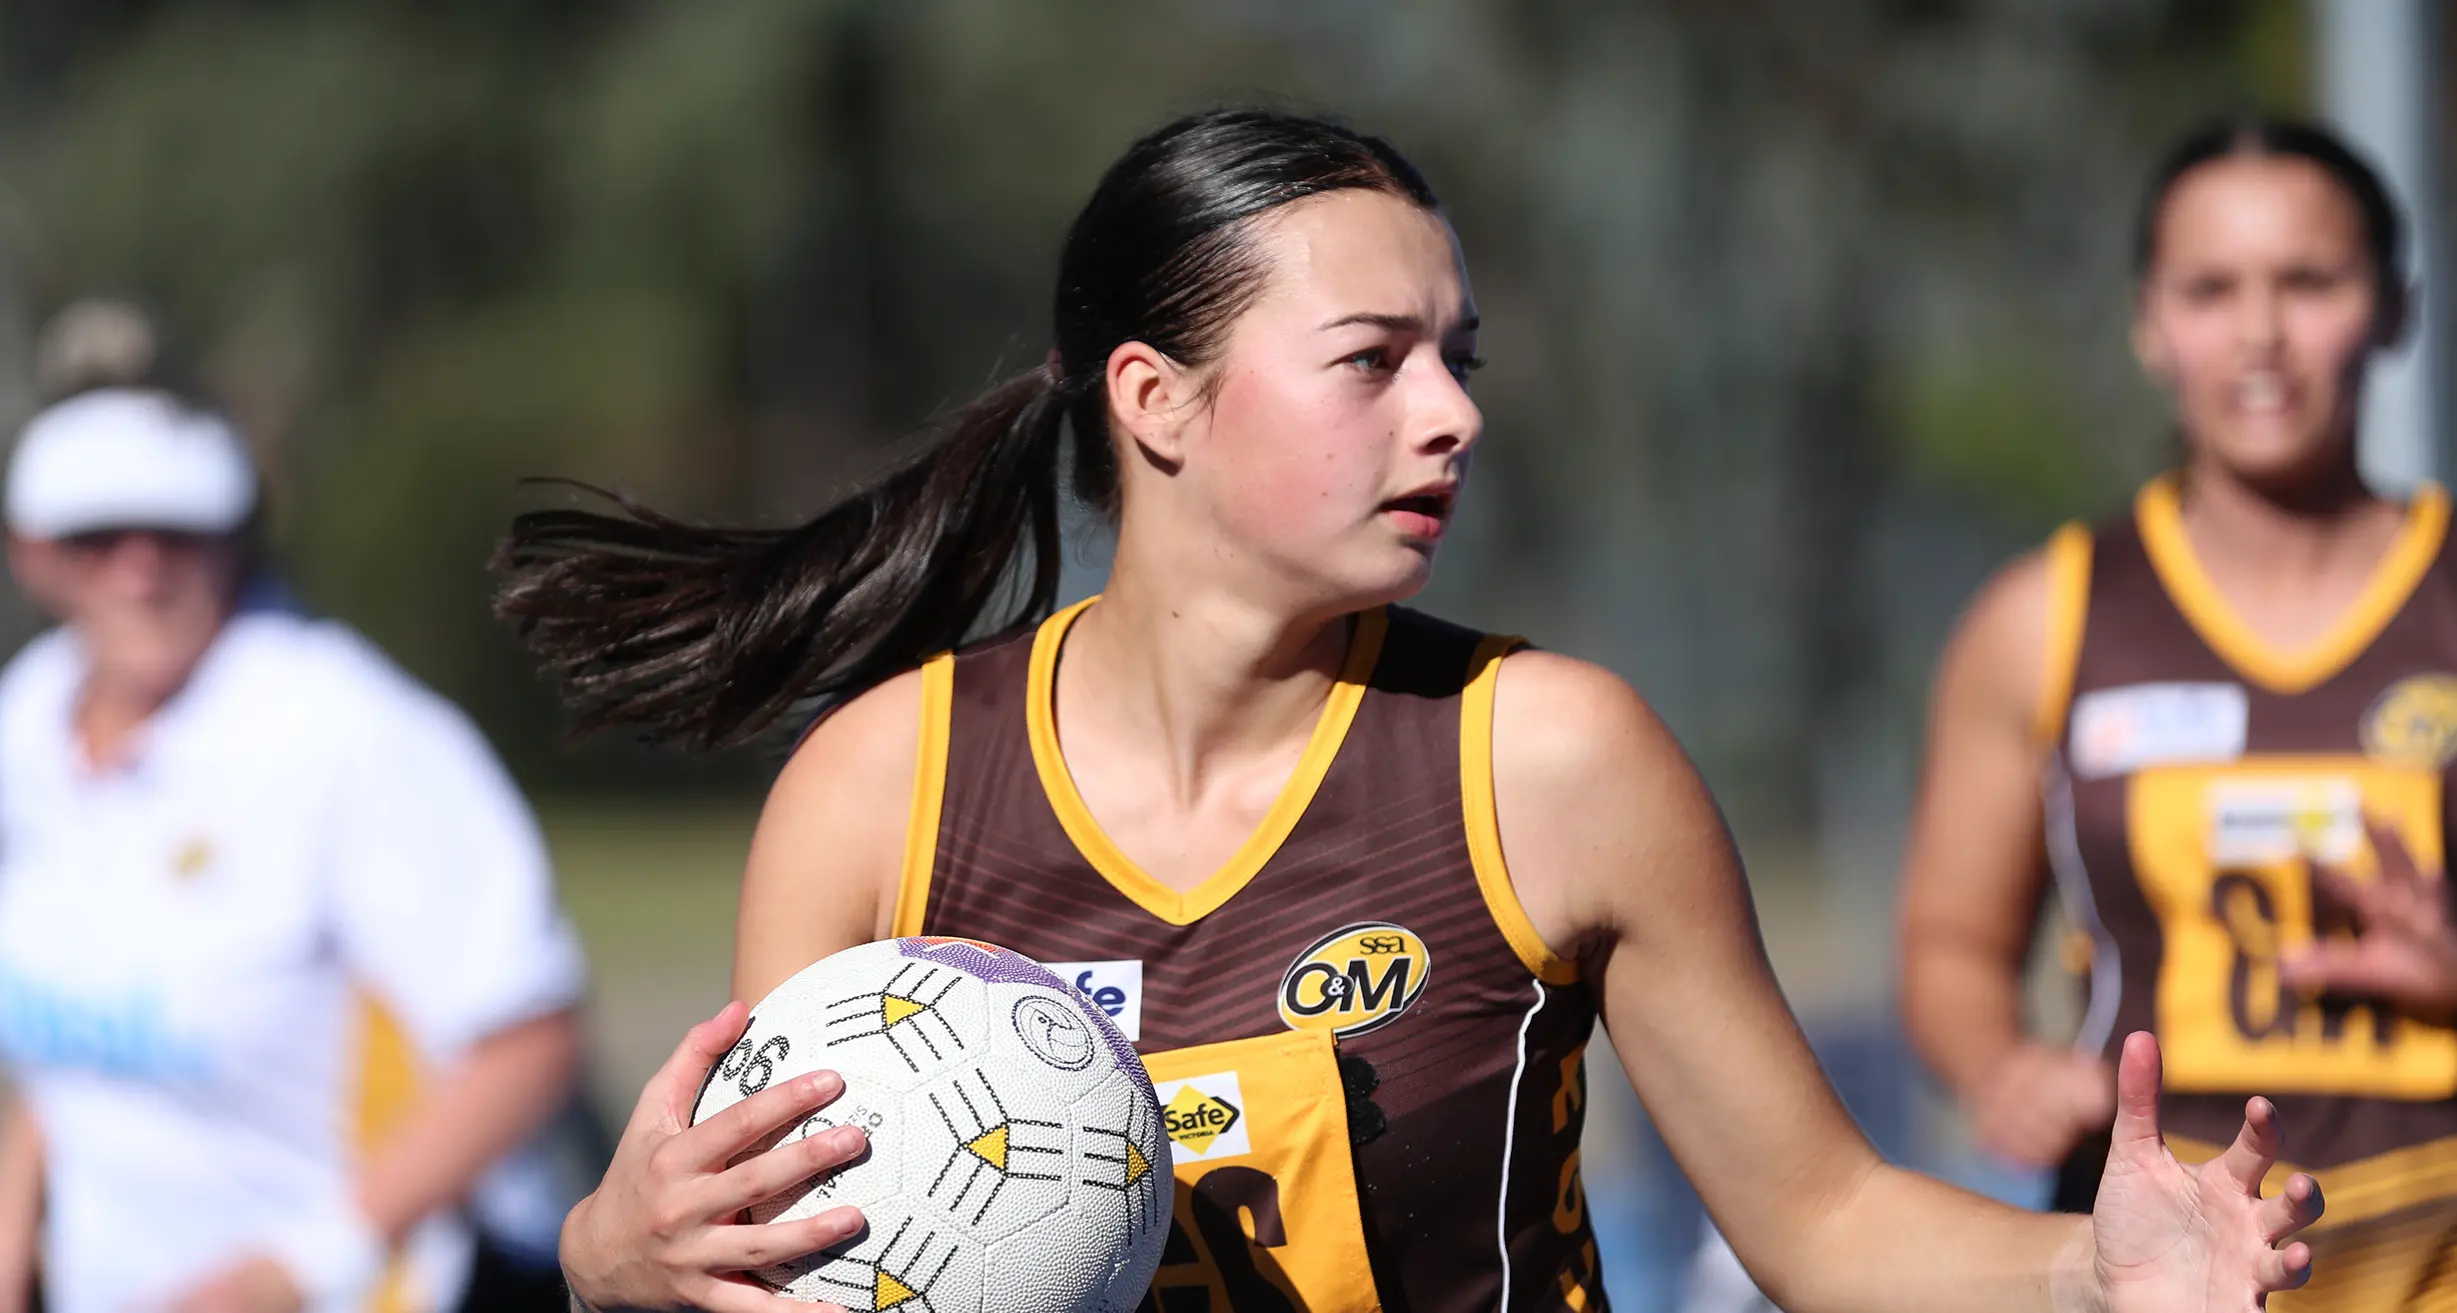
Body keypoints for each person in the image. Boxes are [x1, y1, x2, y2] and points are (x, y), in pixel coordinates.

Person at [503, 109, 2322, 1313]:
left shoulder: (1550, 758)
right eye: (1373, 360)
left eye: (1459, 357)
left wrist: (2096, 1271)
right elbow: (767, 1260)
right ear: (1157, 398)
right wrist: (611, 1249)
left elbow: (1825, 1215)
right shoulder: (877, 788)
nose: (1448, 411)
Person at [1898, 117, 2457, 1310]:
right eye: (2211, 289)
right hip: (2162, 1265)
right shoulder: (2042, 617)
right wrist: (1996, 1062)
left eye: (2309, 281)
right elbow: (1949, 942)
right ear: (2150, 320)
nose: (2260, 333)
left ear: (2397, 306)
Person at [0, 319, 590, 1313]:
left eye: (175, 531)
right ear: (30, 552)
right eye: (96, 535)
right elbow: (64, 1062)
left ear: (236, 533)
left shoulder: (350, 730)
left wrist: (297, 1266)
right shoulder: (27, 715)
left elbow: (528, 1035)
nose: (138, 569)